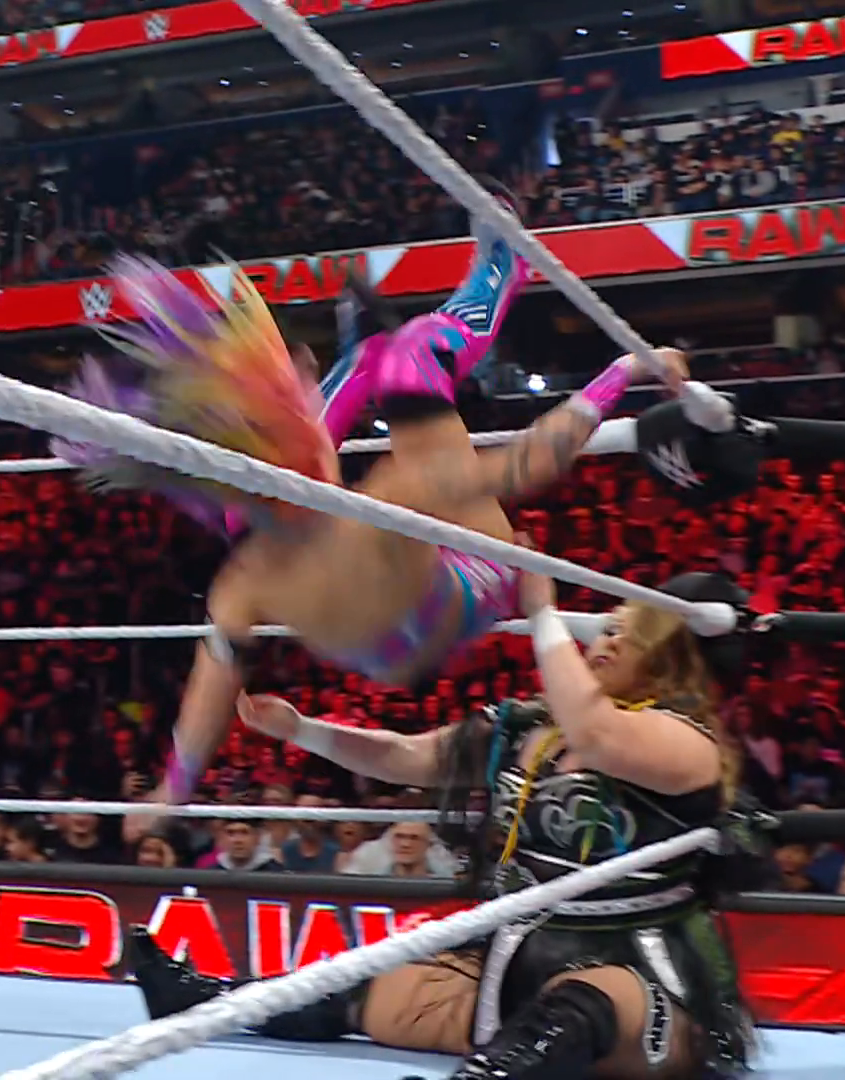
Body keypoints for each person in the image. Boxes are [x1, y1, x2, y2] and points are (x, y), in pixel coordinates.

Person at [54, 193, 697, 808]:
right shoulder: (384, 502)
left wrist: (173, 788)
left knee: (281, 464)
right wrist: (625, 371)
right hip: (475, 580)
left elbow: (206, 695)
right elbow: (534, 460)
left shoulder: (242, 580)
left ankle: (360, 358)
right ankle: (498, 269)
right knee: (411, 359)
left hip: (397, 637)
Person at [123, 570, 758, 1080]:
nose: (606, 641)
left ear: (669, 661)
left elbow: (600, 733)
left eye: (629, 635)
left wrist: (542, 614)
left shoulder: (687, 743)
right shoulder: (533, 731)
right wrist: (304, 731)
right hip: (518, 956)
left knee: (585, 1003)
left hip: (640, 973)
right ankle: (203, 1000)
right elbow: (407, 756)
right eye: (606, 628)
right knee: (366, 989)